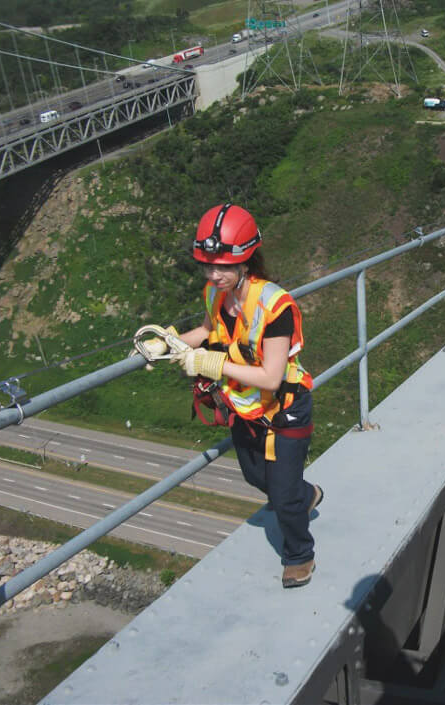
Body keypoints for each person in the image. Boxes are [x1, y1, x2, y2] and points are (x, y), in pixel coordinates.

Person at [144, 204, 321, 588]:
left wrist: (211, 365)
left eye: (223, 266)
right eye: (208, 265)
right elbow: (208, 332)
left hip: (285, 406)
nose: (213, 274)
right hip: (245, 405)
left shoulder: (274, 306)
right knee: (256, 476)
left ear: (246, 261)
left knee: (283, 496)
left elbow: (272, 377)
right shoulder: (215, 293)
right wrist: (169, 345)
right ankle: (306, 493)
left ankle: (299, 555)